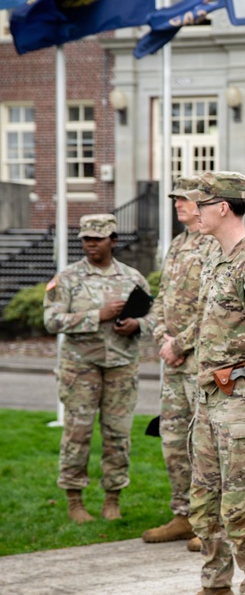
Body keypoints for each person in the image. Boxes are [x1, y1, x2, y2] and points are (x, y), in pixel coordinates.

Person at [160, 171, 245, 595]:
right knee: (205, 498)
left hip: (242, 401)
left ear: (223, 208)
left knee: (243, 504)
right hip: (210, 398)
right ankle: (216, 587)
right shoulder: (218, 258)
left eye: (201, 203)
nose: (193, 210)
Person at [43, 213, 154, 523]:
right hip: (80, 368)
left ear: (113, 241)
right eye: (86, 239)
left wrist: (137, 324)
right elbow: (51, 321)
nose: (91, 244)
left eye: (98, 239)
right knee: (77, 434)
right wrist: (97, 315)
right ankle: (74, 500)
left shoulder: (133, 278)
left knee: (118, 434)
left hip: (121, 367)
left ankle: (112, 499)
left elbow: (156, 316)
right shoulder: (67, 278)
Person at [142, 176, 221, 552]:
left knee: (203, 442)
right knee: (173, 439)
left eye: (185, 199)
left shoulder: (213, 243)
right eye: (175, 198)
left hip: (199, 359)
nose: (177, 204)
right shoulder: (177, 243)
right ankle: (183, 513)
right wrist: (163, 338)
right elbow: (162, 297)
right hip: (173, 359)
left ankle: (210, 519)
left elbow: (212, 306)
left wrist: (180, 343)